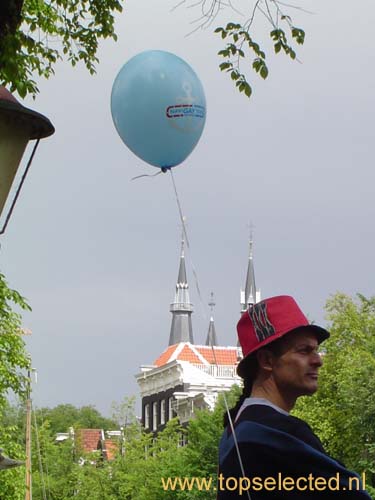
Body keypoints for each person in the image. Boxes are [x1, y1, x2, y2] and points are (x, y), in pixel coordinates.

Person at [217, 295, 371, 499]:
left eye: (316, 350)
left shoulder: (232, 433)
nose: (318, 361)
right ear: (266, 360)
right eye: (304, 351)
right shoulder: (277, 434)